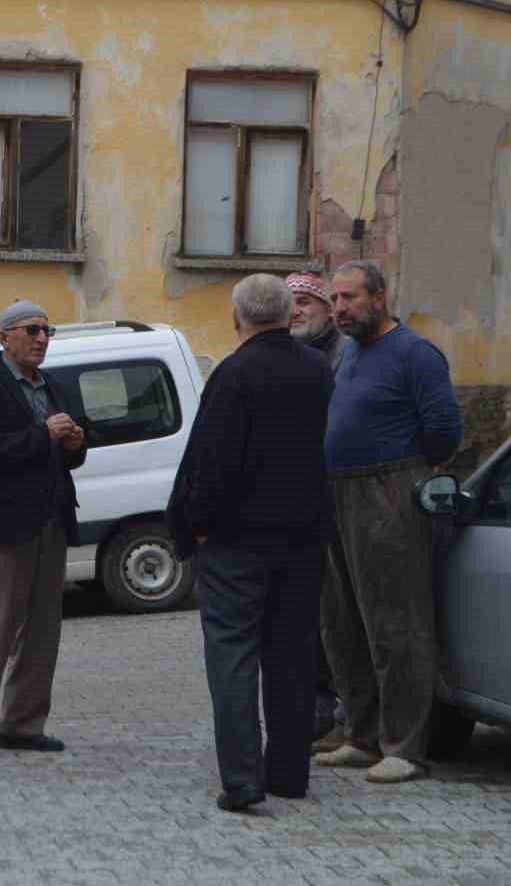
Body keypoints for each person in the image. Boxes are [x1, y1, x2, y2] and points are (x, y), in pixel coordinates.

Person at [167, 274, 337, 812]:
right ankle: (289, 773)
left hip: (237, 540)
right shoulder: (320, 370)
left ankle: (242, 778)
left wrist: (196, 522)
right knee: (293, 657)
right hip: (305, 537)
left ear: (236, 317)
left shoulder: (234, 373)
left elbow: (212, 462)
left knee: (233, 652)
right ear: (289, 315)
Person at [314, 260, 463, 784]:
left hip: (388, 491)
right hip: (335, 490)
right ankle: (361, 734)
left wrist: (404, 476)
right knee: (342, 621)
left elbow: (444, 430)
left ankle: (404, 745)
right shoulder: (348, 351)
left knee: (396, 622)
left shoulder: (416, 354)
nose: (339, 308)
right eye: (335, 298)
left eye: (349, 298)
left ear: (379, 296)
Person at [0, 299, 87, 761]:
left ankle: (23, 725)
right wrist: (43, 435)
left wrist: (75, 442)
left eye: (48, 331)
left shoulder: (55, 386)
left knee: (42, 633)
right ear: (4, 337)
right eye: (31, 330)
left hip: (49, 523)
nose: (41, 339)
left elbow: (68, 453)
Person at [286, 270, 351, 745]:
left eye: (307, 301)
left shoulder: (345, 356)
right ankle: (312, 707)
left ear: (329, 309)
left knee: (339, 608)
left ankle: (344, 708)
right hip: (297, 500)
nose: (298, 311)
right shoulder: (287, 355)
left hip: (339, 495)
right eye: (291, 303)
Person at [288, 271, 353, 373]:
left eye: (303, 302)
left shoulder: (349, 352)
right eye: (289, 305)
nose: (294, 312)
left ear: (329, 310)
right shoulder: (277, 351)